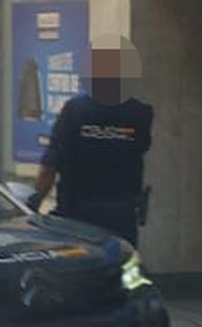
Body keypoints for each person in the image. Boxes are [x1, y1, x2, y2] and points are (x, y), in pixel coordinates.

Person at [28, 34, 153, 246]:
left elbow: (50, 166)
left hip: (76, 218)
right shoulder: (140, 113)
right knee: (121, 263)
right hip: (121, 219)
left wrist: (33, 204)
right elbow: (141, 147)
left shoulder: (75, 110)